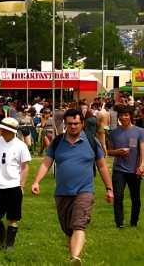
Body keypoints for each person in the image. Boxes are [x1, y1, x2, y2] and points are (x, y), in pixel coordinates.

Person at [31, 108, 114, 265]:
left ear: (82, 123)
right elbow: (46, 163)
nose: (73, 127)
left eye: (76, 123)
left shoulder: (92, 141)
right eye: (70, 124)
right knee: (68, 231)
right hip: (62, 193)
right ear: (65, 125)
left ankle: (75, 257)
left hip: (84, 191)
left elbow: (102, 166)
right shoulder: (57, 142)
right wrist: (36, 181)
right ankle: (73, 257)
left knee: (79, 225)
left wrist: (109, 189)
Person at [0, 117, 31, 252]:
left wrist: (22, 185)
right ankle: (2, 236)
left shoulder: (21, 145)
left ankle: (9, 246)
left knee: (13, 218)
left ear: (10, 131)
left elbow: (25, 166)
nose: (0, 130)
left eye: (3, 129)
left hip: (13, 186)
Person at [106, 104, 144, 228]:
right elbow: (108, 152)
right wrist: (118, 152)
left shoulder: (139, 131)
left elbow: (142, 151)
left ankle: (134, 222)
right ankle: (119, 223)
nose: (123, 117)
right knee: (118, 196)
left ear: (131, 116)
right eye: (121, 115)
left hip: (134, 169)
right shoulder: (114, 133)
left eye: (126, 115)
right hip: (119, 169)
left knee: (136, 198)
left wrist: (142, 165)